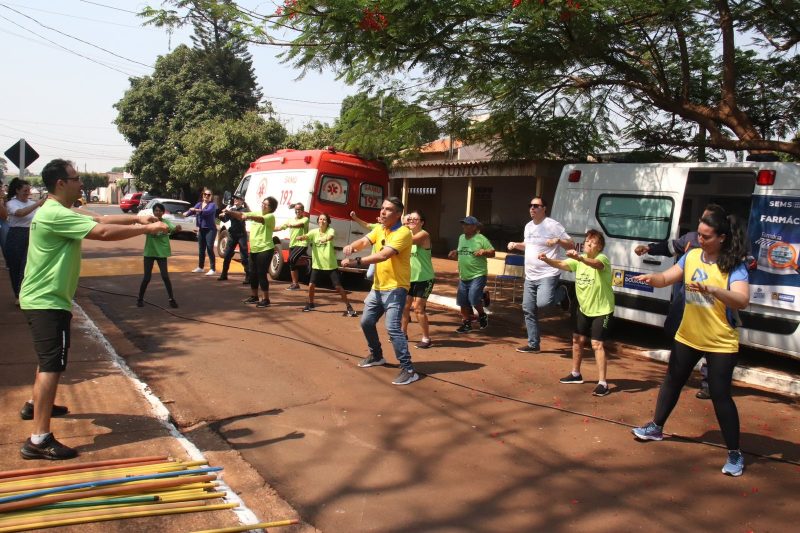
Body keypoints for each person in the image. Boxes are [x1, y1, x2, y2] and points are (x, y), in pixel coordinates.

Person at [18, 159, 167, 460]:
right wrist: (148, 230)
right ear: (60, 183)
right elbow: (101, 233)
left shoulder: (58, 211)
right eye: (75, 178)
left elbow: (100, 220)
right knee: (52, 365)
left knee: (48, 359)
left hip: (43, 298)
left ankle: (36, 404)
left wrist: (140, 221)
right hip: (47, 300)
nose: (80, 183)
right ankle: (39, 439)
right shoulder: (55, 214)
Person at [631, 211, 750, 477]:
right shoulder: (692, 255)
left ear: (722, 238)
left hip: (720, 342)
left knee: (720, 395)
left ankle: (734, 453)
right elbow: (666, 277)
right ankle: (656, 427)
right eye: (699, 234)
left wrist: (715, 290)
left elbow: (742, 300)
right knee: (672, 380)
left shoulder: (734, 266)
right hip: (688, 335)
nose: (700, 239)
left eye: (706, 236)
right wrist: (653, 279)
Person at [634, 203, 726, 400]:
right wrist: (649, 249)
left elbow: (741, 288)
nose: (701, 230)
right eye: (701, 221)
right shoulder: (690, 242)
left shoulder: (729, 253)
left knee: (709, 343)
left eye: (706, 224)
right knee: (674, 330)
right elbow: (670, 249)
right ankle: (676, 376)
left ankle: (709, 384)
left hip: (713, 307)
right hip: (686, 297)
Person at [341, 197, 419, 385]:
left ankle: (408, 369)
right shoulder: (379, 229)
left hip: (396, 288)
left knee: (392, 328)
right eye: (382, 208)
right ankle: (377, 356)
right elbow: (364, 241)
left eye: (388, 209)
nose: (383, 212)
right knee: (366, 322)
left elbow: (384, 255)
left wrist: (356, 261)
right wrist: (352, 246)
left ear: (399, 214)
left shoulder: (403, 233)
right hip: (377, 287)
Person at [539, 229, 615, 396]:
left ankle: (603, 383)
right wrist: (547, 260)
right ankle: (576, 374)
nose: (587, 243)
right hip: (584, 308)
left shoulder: (602, 259)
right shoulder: (578, 261)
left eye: (592, 242)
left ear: (599, 246)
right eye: (587, 240)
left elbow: (596, 265)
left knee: (597, 344)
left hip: (602, 310)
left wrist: (579, 257)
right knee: (577, 340)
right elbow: (562, 264)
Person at [508, 196, 575, 353]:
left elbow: (570, 244)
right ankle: (533, 344)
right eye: (530, 205)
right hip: (530, 275)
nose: (532, 208)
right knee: (528, 309)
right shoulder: (528, 226)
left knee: (543, 304)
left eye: (536, 206)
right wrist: (516, 245)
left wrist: (558, 241)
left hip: (548, 273)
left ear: (544, 208)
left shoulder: (552, 225)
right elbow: (528, 245)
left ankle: (562, 293)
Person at [296, 213, 357, 316]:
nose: (322, 221)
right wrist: (301, 237)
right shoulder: (314, 232)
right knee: (311, 285)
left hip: (330, 266)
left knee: (338, 287)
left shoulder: (330, 230)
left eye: (324, 220)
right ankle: (311, 304)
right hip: (317, 266)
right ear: (318, 221)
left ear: (328, 222)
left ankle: (349, 307)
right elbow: (307, 236)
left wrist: (325, 239)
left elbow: (331, 236)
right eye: (320, 219)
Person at [226, 196, 277, 308]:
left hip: (265, 249)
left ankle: (266, 299)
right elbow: (241, 215)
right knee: (252, 273)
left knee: (261, 274)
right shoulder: (257, 212)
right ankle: (254, 296)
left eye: (266, 204)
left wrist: (248, 217)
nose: (263, 205)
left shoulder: (270, 216)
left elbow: (258, 219)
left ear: (271, 208)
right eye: (263, 203)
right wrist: (230, 212)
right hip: (254, 249)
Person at [448, 216, 495, 333]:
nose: (464, 226)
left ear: (474, 227)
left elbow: (492, 252)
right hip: (464, 275)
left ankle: (482, 315)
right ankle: (466, 323)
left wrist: (484, 251)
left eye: (467, 224)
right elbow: (460, 252)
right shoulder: (461, 238)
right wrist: (454, 253)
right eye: (463, 224)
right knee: (462, 301)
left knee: (473, 298)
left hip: (478, 274)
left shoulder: (481, 238)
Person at [5, 179, 48, 305]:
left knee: (28, 266)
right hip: (16, 235)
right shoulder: (12, 203)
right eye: (25, 190)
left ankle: (26, 294)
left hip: (32, 234)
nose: (28, 192)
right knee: (16, 266)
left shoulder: (31, 203)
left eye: (28, 190)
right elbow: (20, 213)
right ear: (17, 190)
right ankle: (18, 294)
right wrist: (38, 203)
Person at [401, 211, 435, 349]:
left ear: (422, 222)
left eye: (415, 219)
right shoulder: (406, 234)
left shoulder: (424, 234)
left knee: (418, 309)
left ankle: (426, 338)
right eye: (410, 219)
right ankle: (402, 334)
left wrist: (403, 226)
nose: (412, 221)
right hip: (409, 278)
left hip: (424, 278)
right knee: (405, 306)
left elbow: (409, 240)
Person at [136, 203, 180, 308]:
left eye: (160, 211)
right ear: (153, 212)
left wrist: (177, 228)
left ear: (163, 212)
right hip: (149, 253)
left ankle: (171, 299)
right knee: (147, 278)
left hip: (161, 253)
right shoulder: (150, 223)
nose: (158, 212)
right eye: (156, 210)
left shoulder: (166, 222)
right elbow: (144, 230)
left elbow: (172, 229)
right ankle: (140, 299)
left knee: (165, 276)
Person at [217, 194, 250, 283]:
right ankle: (224, 274)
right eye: (235, 198)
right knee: (227, 255)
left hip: (241, 235)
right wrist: (221, 215)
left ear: (242, 201)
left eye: (238, 198)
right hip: (232, 234)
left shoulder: (244, 210)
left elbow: (240, 217)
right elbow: (225, 220)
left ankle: (248, 276)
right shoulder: (232, 209)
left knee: (244, 256)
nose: (235, 199)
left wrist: (229, 211)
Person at [186, 188, 218, 276]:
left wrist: (194, 210)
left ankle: (213, 269)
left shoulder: (212, 205)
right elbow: (191, 211)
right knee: (201, 249)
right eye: (205, 194)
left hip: (210, 229)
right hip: (201, 229)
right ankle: (200, 267)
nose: (206, 196)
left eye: (208, 195)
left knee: (209, 248)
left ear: (211, 197)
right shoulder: (199, 204)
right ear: (202, 195)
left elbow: (206, 212)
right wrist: (186, 213)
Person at [278, 202, 309, 290]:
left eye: (299, 210)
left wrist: (290, 225)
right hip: (292, 244)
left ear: (302, 211)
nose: (297, 211)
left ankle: (305, 263)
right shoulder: (290, 220)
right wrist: (271, 229)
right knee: (291, 263)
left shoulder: (305, 219)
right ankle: (295, 284)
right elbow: (281, 227)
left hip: (302, 244)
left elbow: (300, 225)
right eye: (296, 209)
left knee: (291, 259)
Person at [350, 210, 381, 280]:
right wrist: (355, 217)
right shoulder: (377, 226)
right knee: (370, 275)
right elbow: (366, 224)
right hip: (375, 256)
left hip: (385, 257)